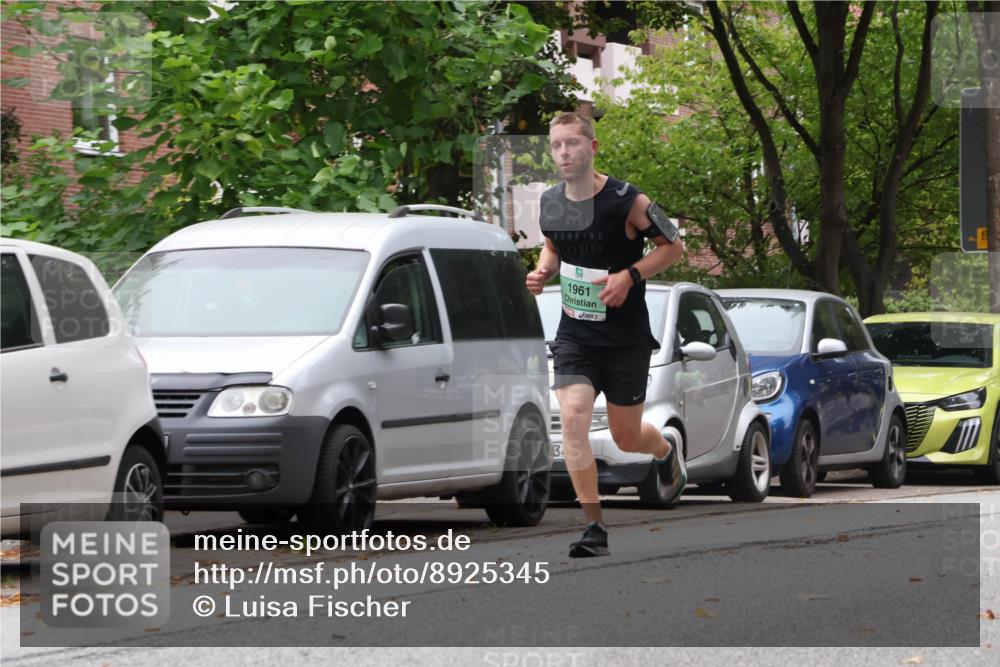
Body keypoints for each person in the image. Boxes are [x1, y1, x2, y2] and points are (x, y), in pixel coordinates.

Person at [525, 111, 686, 558]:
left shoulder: (627, 200)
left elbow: (673, 247)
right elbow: (553, 246)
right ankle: (594, 526)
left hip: (625, 339)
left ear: (592, 147)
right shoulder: (551, 202)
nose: (563, 153)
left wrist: (629, 276)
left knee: (626, 437)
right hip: (575, 333)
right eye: (556, 145)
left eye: (572, 143)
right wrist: (542, 271)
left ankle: (664, 451)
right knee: (573, 418)